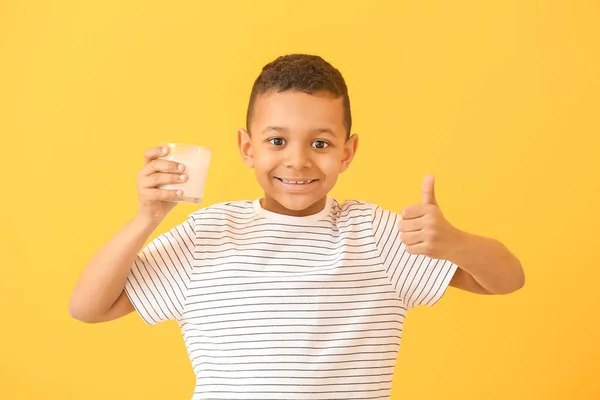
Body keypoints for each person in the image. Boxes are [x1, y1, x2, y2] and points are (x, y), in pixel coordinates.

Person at [69, 54, 525, 400]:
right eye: (277, 141)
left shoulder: (375, 235)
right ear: (248, 148)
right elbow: (89, 307)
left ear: (347, 152)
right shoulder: (207, 234)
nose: (298, 160)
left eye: (321, 143)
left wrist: (456, 243)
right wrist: (145, 218)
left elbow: (506, 281)